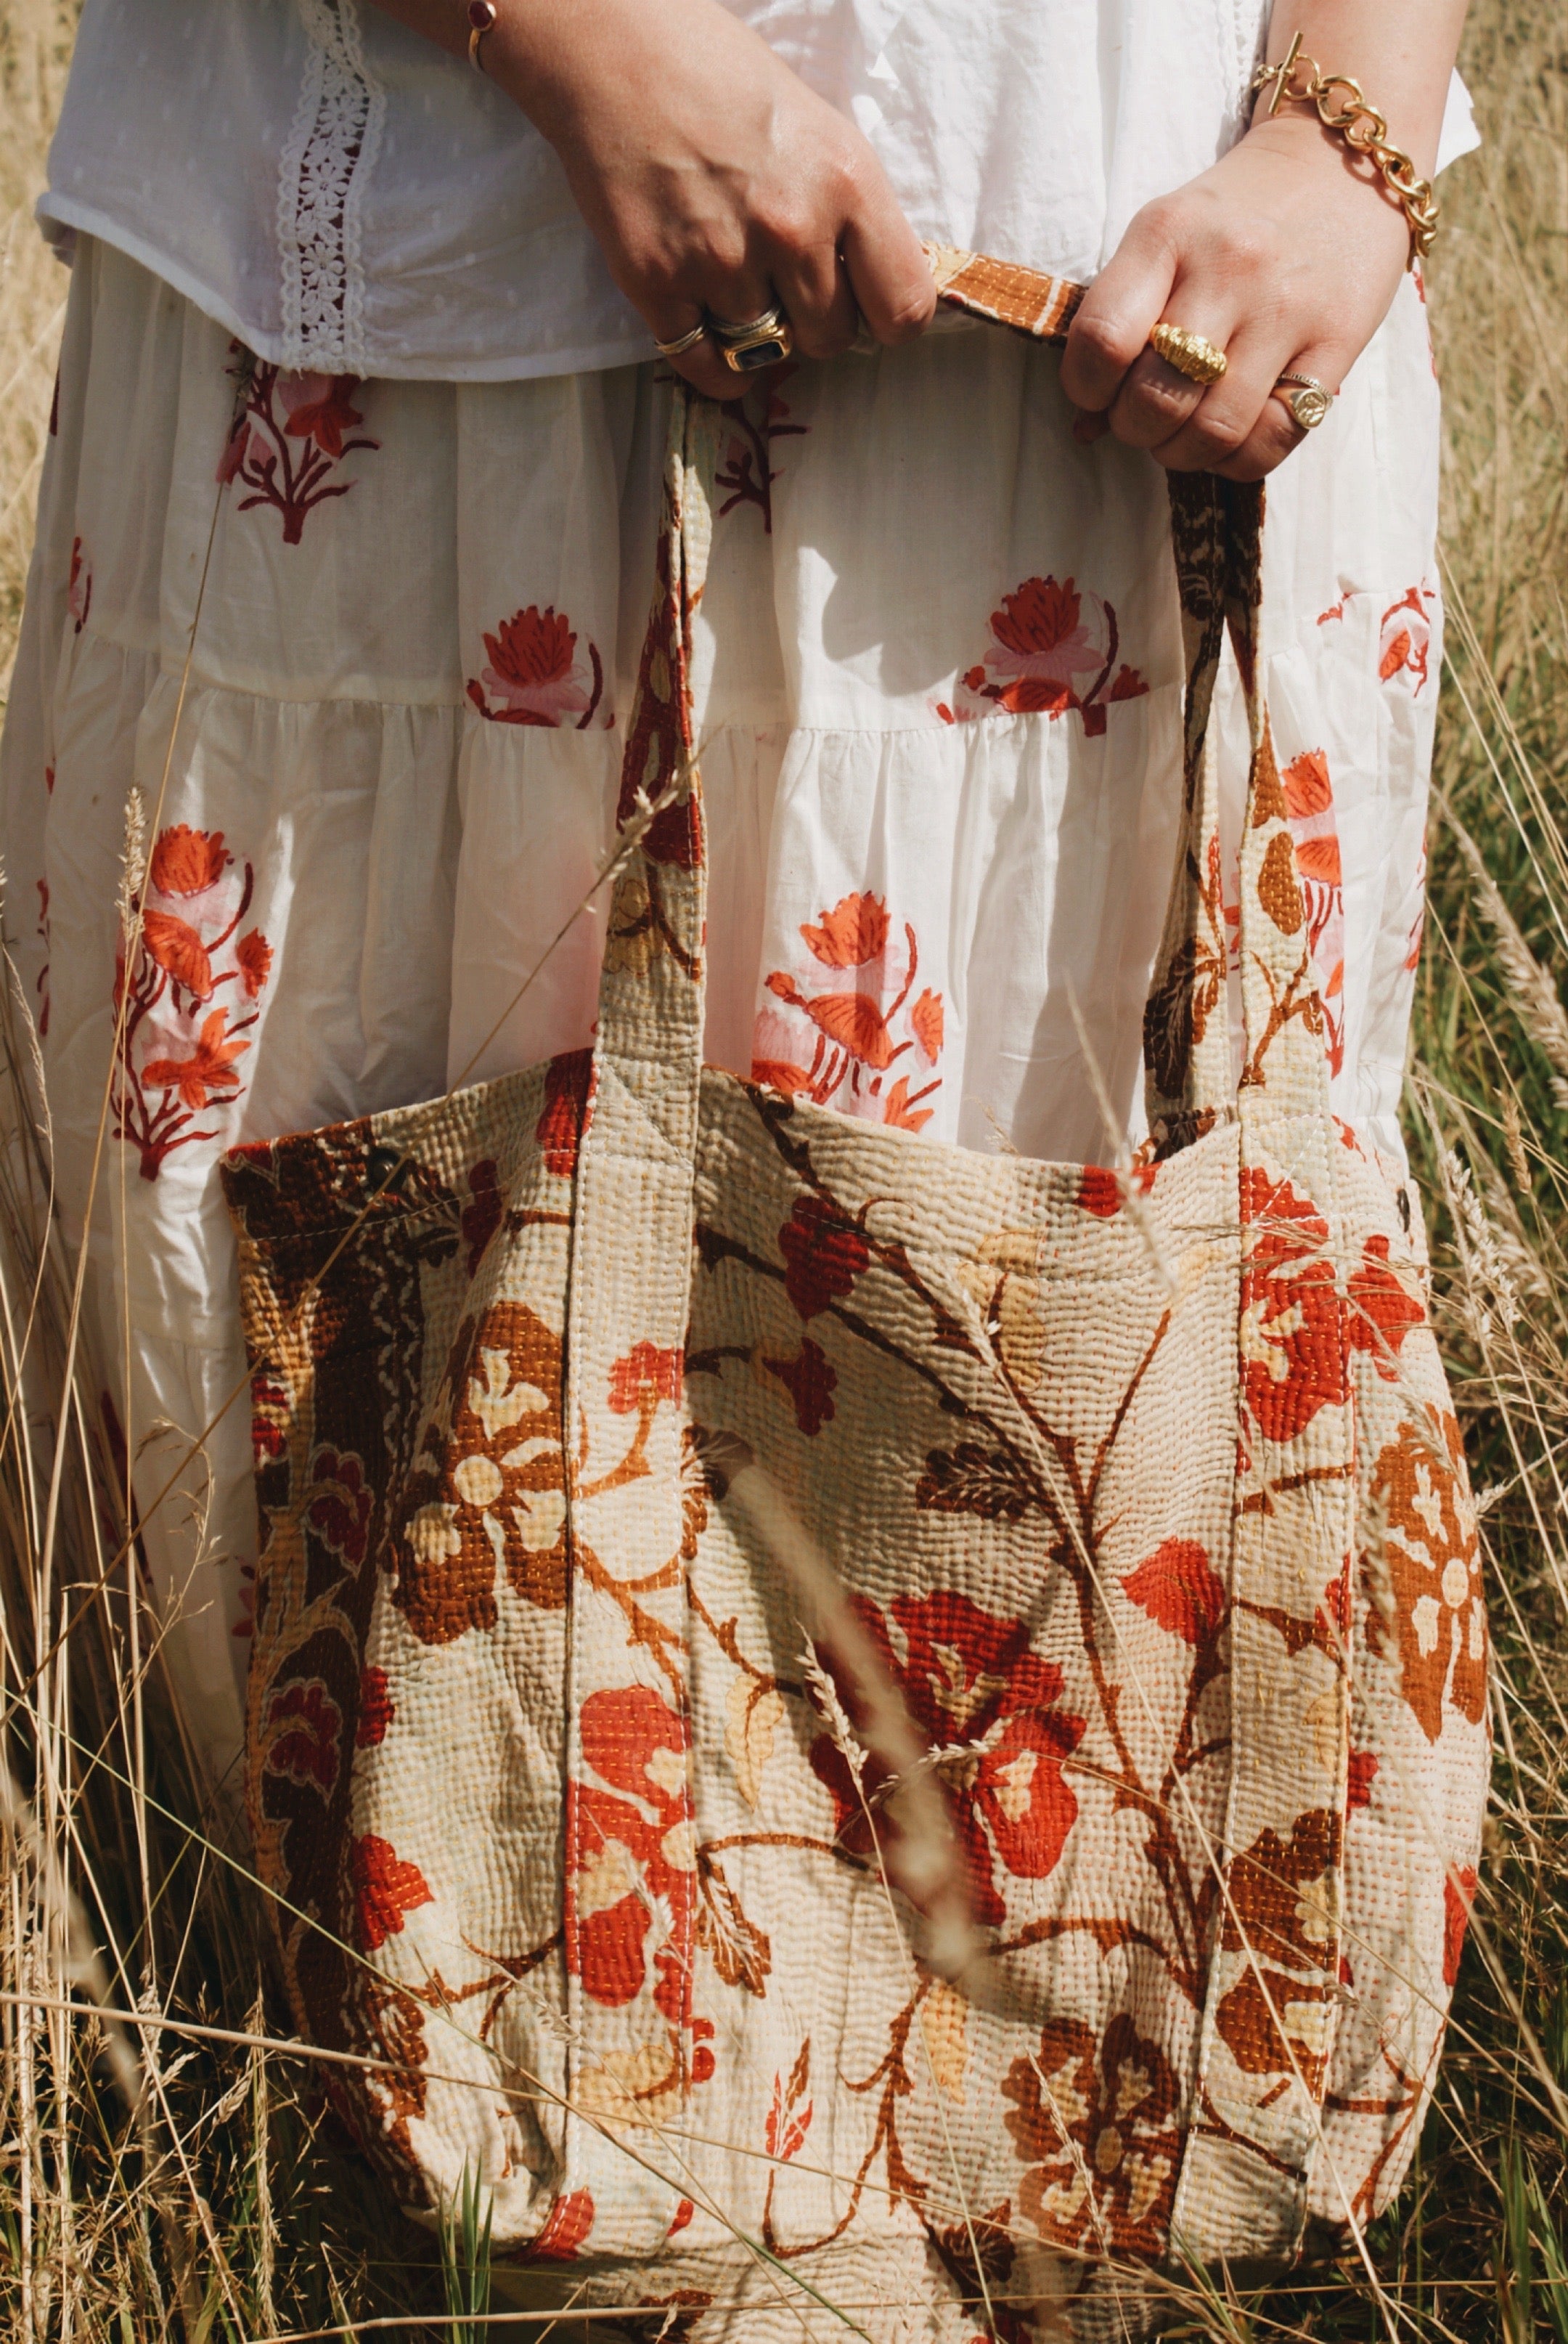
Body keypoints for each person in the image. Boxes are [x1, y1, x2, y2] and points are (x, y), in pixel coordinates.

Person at [1, 0, 1473, 1797]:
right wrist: (559, 34)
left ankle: (1082, 2050)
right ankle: (306, 2040)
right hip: (445, 307)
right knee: (325, 1471)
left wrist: (1348, 132)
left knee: (1110, 1404)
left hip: (1190, 325)